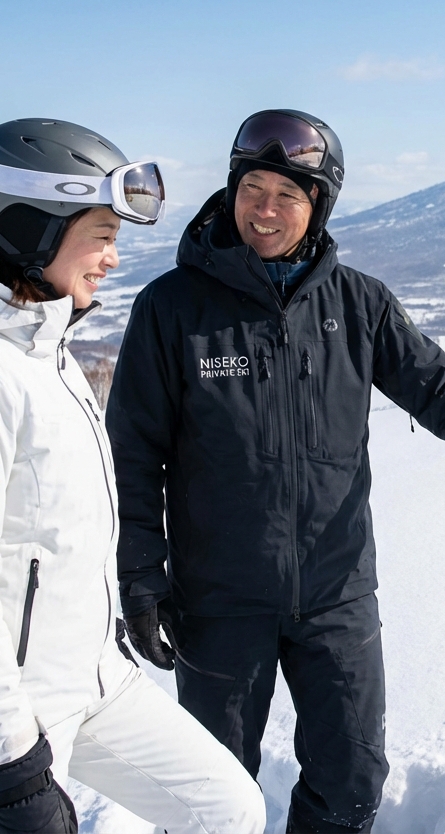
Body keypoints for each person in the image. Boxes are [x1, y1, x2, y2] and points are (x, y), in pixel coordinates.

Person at [107, 109, 445, 833]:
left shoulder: (359, 305)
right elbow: (132, 453)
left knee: (351, 781)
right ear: (230, 193)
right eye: (253, 188)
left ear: (319, 207)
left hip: (335, 590)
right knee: (211, 793)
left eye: (289, 194)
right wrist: (141, 577)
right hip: (219, 598)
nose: (266, 209)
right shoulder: (172, 308)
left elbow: (444, 393)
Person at [0, 118, 265, 834]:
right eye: (103, 237)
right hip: (18, 712)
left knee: (227, 807)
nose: (114, 259)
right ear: (32, 228)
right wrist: (13, 766)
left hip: (95, 676)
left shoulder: (50, 355)